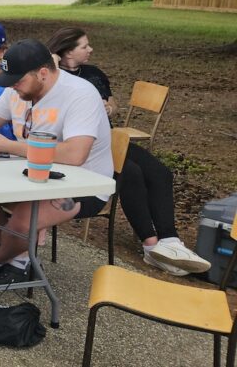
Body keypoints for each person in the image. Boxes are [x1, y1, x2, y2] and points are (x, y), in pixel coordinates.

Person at [48, 27, 210, 276]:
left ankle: (170, 241)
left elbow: (113, 103)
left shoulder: (93, 73)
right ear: (67, 51)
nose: (90, 49)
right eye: (84, 46)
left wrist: (109, 108)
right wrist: (52, 64)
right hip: (85, 146)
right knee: (130, 173)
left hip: (109, 138)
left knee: (160, 172)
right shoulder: (52, 78)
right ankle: (150, 246)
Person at [0, 39, 113, 285]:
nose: (13, 87)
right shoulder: (17, 87)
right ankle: (20, 254)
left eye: (17, 81)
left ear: (42, 73)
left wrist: (9, 146)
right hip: (28, 173)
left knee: (23, 222)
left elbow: (75, 155)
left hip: (82, 183)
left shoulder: (80, 94)